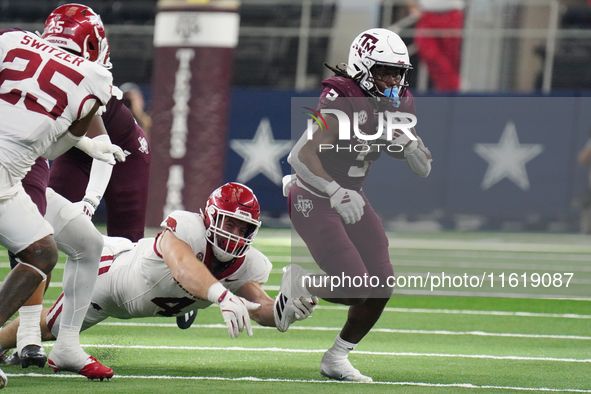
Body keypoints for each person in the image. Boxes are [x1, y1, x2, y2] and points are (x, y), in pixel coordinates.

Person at [0, 183, 317, 370]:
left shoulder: (246, 264)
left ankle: (189, 303)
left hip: (143, 293)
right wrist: (220, 296)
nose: (234, 235)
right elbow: (181, 267)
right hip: (109, 274)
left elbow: (262, 309)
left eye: (242, 229)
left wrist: (285, 311)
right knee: (49, 325)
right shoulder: (186, 229)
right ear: (209, 217)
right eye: (229, 223)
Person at [281, 28, 432, 382]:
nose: (394, 80)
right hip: (312, 194)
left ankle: (336, 358)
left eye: (399, 72)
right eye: (385, 71)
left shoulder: (399, 103)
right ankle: (300, 283)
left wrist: (410, 147)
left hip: (352, 196)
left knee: (383, 283)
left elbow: (423, 169)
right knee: (356, 287)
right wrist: (334, 191)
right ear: (363, 67)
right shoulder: (342, 99)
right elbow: (299, 156)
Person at [0, 13, 125, 387]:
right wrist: (86, 140)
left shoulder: (12, 39)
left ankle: (66, 344)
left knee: (79, 244)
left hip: (10, 178)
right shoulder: (95, 79)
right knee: (41, 254)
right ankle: (26, 336)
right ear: (92, 45)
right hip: (4, 177)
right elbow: (53, 146)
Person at [45, 6, 152, 243]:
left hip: (124, 154)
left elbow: (103, 147)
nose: (60, 60)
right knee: (41, 229)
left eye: (66, 52)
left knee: (125, 246)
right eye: (54, 52)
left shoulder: (91, 81)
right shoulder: (38, 77)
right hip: (74, 149)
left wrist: (90, 201)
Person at [407, 0, 465, 91]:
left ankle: (451, 89)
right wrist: (412, 6)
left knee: (451, 58)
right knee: (428, 52)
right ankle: (452, 87)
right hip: (427, 14)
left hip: (451, 13)